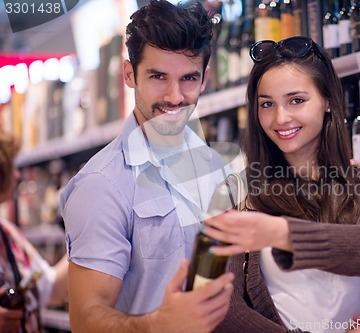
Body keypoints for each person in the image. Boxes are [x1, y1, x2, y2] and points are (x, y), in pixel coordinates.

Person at [202, 36, 360, 333]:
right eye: (267, 104)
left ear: (327, 101)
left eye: (296, 100)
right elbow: (220, 309)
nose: (281, 118)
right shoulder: (231, 194)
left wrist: (280, 233)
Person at [59, 1, 235, 333]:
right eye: (158, 77)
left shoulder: (217, 168)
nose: (174, 96)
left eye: (188, 79)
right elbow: (86, 319)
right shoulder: (102, 185)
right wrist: (161, 324)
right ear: (129, 74)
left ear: (205, 79)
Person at [0, 131, 68, 333]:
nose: (17, 175)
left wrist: (88, 235)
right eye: (12, 166)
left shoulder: (8, 235)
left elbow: (52, 289)